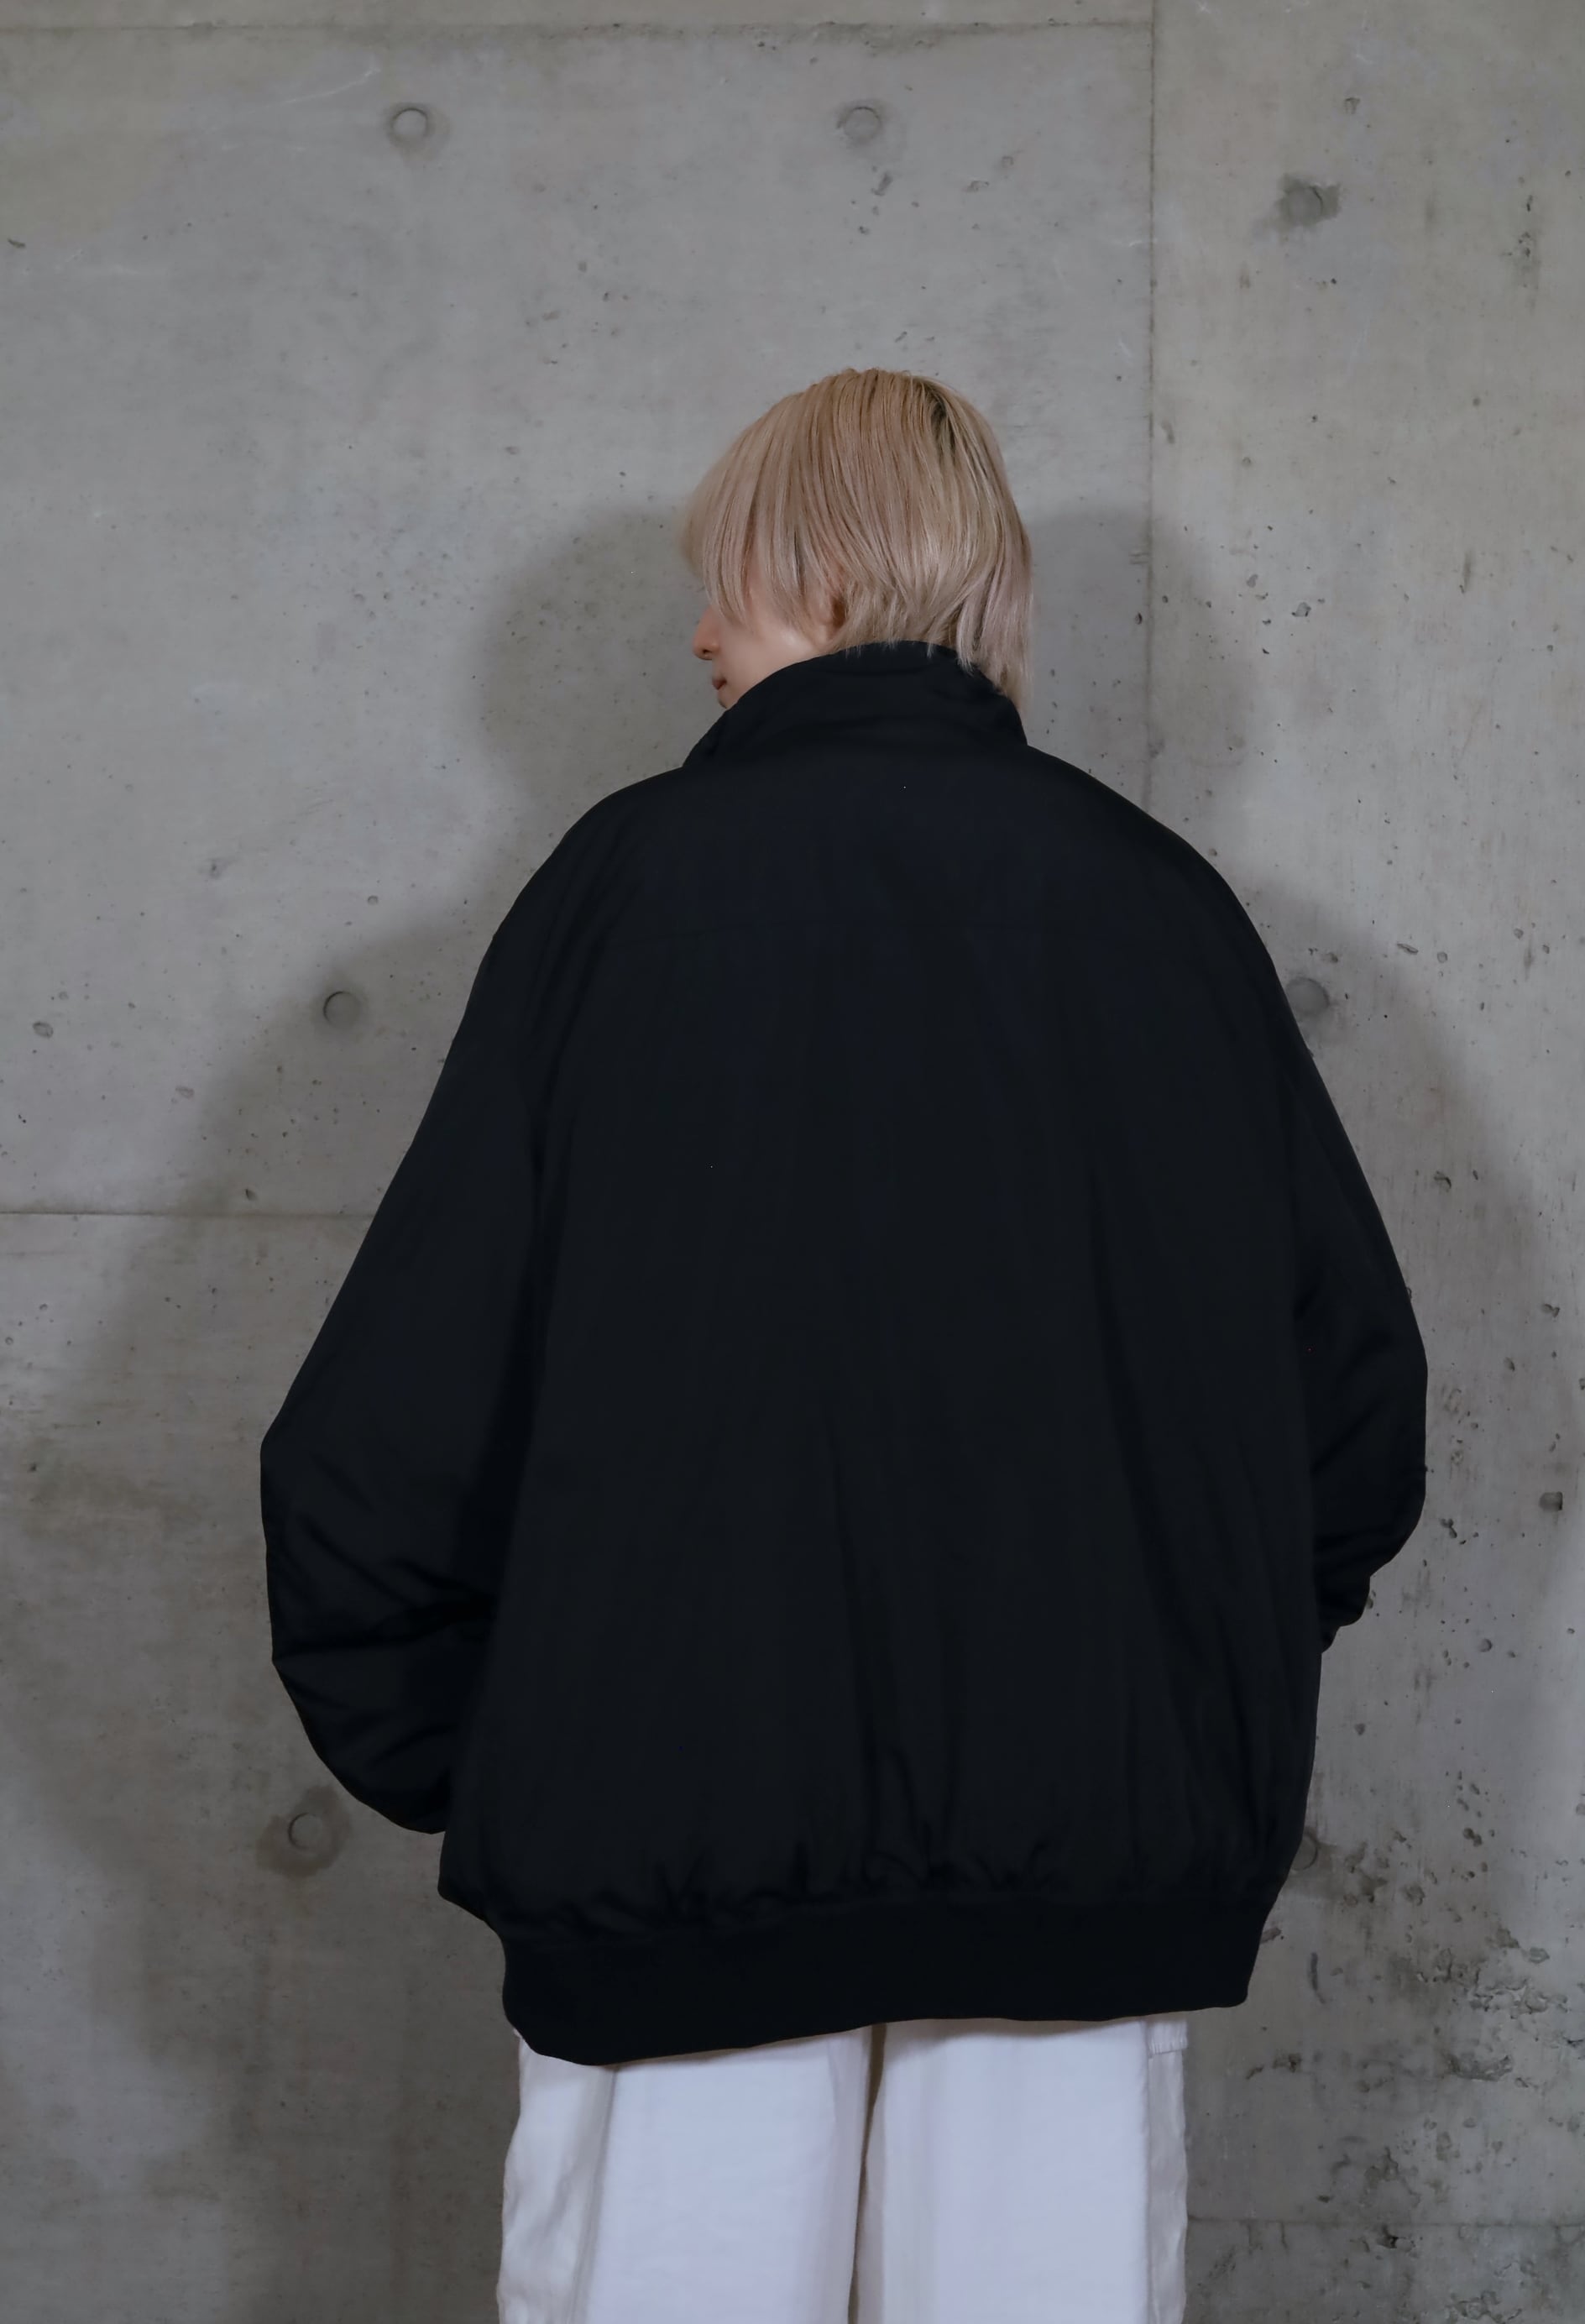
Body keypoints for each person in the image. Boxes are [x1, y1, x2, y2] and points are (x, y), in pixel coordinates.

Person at [259, 367, 1428, 2322]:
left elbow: (399, 1420)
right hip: (1082, 1867)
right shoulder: (1162, 916)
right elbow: (1348, 1420)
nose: (697, 633)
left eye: (722, 579)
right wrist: (1159, 1696)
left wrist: (523, 1754)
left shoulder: (626, 896)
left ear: (813, 568)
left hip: (669, 1846)